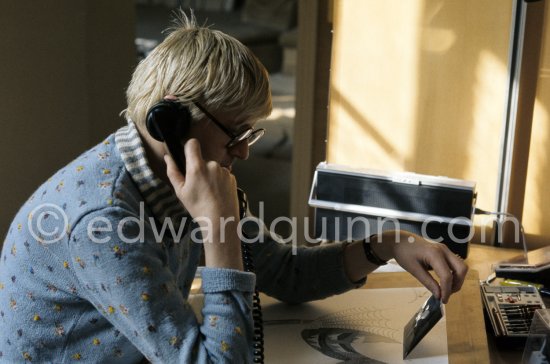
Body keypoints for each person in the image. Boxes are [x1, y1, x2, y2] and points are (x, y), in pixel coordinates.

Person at [0, 11, 467, 363]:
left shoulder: (180, 173)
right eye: (237, 133)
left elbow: (284, 273)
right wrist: (219, 230)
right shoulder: (101, 223)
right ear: (172, 119)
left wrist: (386, 244)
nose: (244, 152)